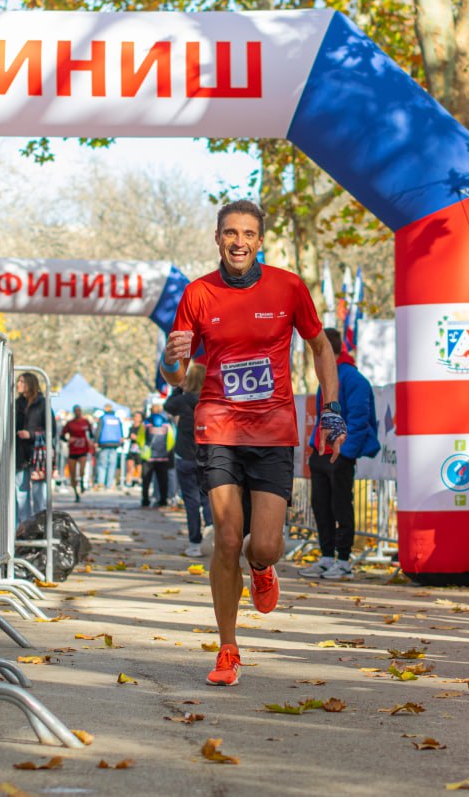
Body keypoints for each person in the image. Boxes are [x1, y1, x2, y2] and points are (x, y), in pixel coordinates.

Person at [161, 199, 344, 687]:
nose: (238, 242)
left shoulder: (288, 287)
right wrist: (169, 358)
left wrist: (331, 408)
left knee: (262, 543)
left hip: (273, 431)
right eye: (229, 233)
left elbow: (320, 346)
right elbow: (178, 377)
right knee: (224, 538)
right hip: (218, 425)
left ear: (259, 240)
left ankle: (262, 567)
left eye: (247, 233)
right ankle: (227, 649)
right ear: (217, 239)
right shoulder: (198, 293)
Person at [299, 327, 379, 580]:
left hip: (340, 453)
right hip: (322, 451)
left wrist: (344, 451)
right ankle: (326, 557)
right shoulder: (329, 376)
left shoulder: (354, 379)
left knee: (341, 506)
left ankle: (343, 560)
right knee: (321, 505)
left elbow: (359, 418)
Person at [165, 363, 214, 557]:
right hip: (207, 455)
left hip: (185, 456)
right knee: (207, 498)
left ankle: (194, 542)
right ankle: (211, 532)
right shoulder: (210, 401)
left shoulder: (183, 400)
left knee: (191, 501)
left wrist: (178, 387)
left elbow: (168, 406)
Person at [14, 372, 51, 521]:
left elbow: (51, 430)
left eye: (22, 382)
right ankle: (23, 530)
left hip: (37, 456)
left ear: (30, 384)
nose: (18, 385)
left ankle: (39, 530)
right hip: (19, 455)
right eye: (18, 382)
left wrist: (31, 434)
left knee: (39, 497)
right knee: (21, 495)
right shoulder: (16, 404)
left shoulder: (42, 403)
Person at [138, 402, 174, 507]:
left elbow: (140, 438)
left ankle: (145, 500)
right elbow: (171, 439)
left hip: (148, 457)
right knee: (163, 480)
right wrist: (166, 451)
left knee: (146, 480)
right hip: (163, 457)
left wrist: (144, 449)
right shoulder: (166, 423)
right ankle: (163, 500)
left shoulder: (146, 423)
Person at [61, 405, 94, 503]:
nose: (77, 412)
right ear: (74, 412)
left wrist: (90, 441)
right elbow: (62, 436)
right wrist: (68, 440)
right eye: (76, 411)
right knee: (72, 473)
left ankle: (83, 482)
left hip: (83, 450)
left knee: (82, 470)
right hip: (72, 450)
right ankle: (76, 493)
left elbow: (91, 434)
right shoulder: (70, 423)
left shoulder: (85, 422)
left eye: (79, 410)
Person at [94, 403, 125, 490]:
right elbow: (120, 431)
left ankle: (101, 482)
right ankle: (109, 484)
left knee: (102, 464)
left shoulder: (103, 418)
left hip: (104, 444)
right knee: (112, 464)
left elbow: (99, 430)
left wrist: (96, 441)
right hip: (115, 444)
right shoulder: (117, 419)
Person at [125, 409, 144, 488]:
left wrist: (136, 438)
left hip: (139, 449)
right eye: (135, 416)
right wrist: (126, 438)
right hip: (132, 448)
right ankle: (128, 482)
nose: (136, 418)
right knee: (129, 465)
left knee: (139, 466)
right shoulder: (131, 427)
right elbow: (129, 437)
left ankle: (138, 481)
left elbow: (143, 438)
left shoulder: (142, 427)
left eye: (138, 417)